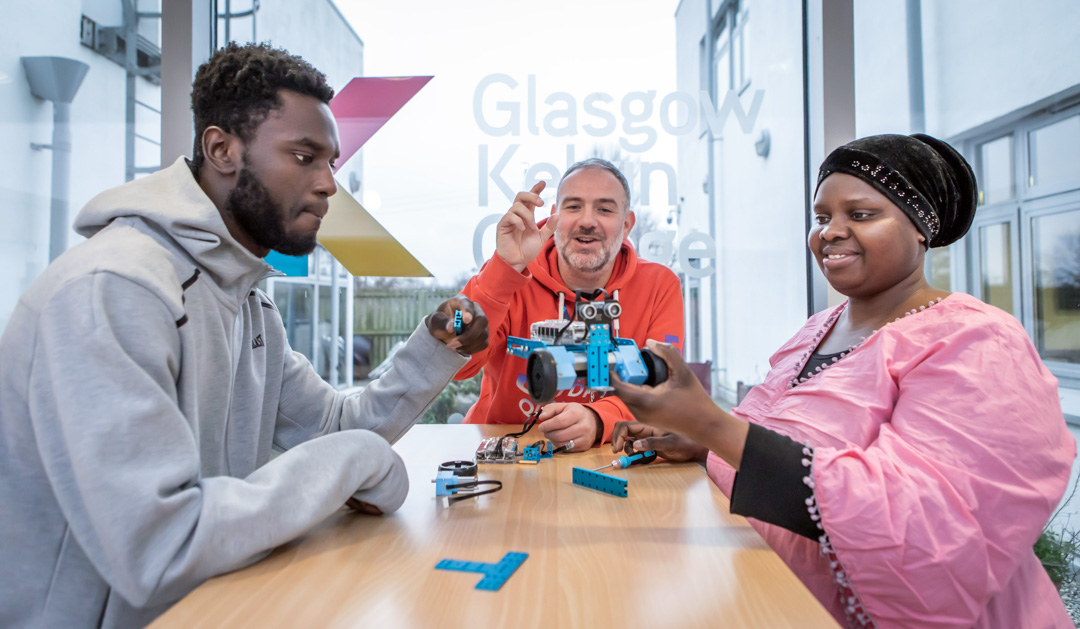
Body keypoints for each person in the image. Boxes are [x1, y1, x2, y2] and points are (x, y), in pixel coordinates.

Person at [0, 43, 488, 628]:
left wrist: (433, 349)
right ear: (222, 150)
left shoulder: (246, 301)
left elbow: (337, 430)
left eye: (331, 162)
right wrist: (357, 458)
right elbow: (161, 548)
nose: (329, 184)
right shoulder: (113, 290)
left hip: (217, 607)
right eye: (304, 156)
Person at [610, 134, 1076, 627]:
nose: (830, 232)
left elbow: (927, 529)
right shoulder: (815, 331)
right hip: (784, 602)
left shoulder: (976, 342)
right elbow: (776, 453)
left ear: (920, 229)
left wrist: (712, 426)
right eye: (821, 217)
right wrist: (704, 442)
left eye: (861, 214)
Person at [454, 158, 683, 451]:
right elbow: (459, 363)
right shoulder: (509, 273)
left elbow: (668, 386)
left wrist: (600, 419)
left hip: (605, 451)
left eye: (604, 209)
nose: (587, 221)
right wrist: (503, 269)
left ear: (626, 225)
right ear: (553, 218)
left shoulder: (659, 286)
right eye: (573, 207)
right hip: (505, 449)